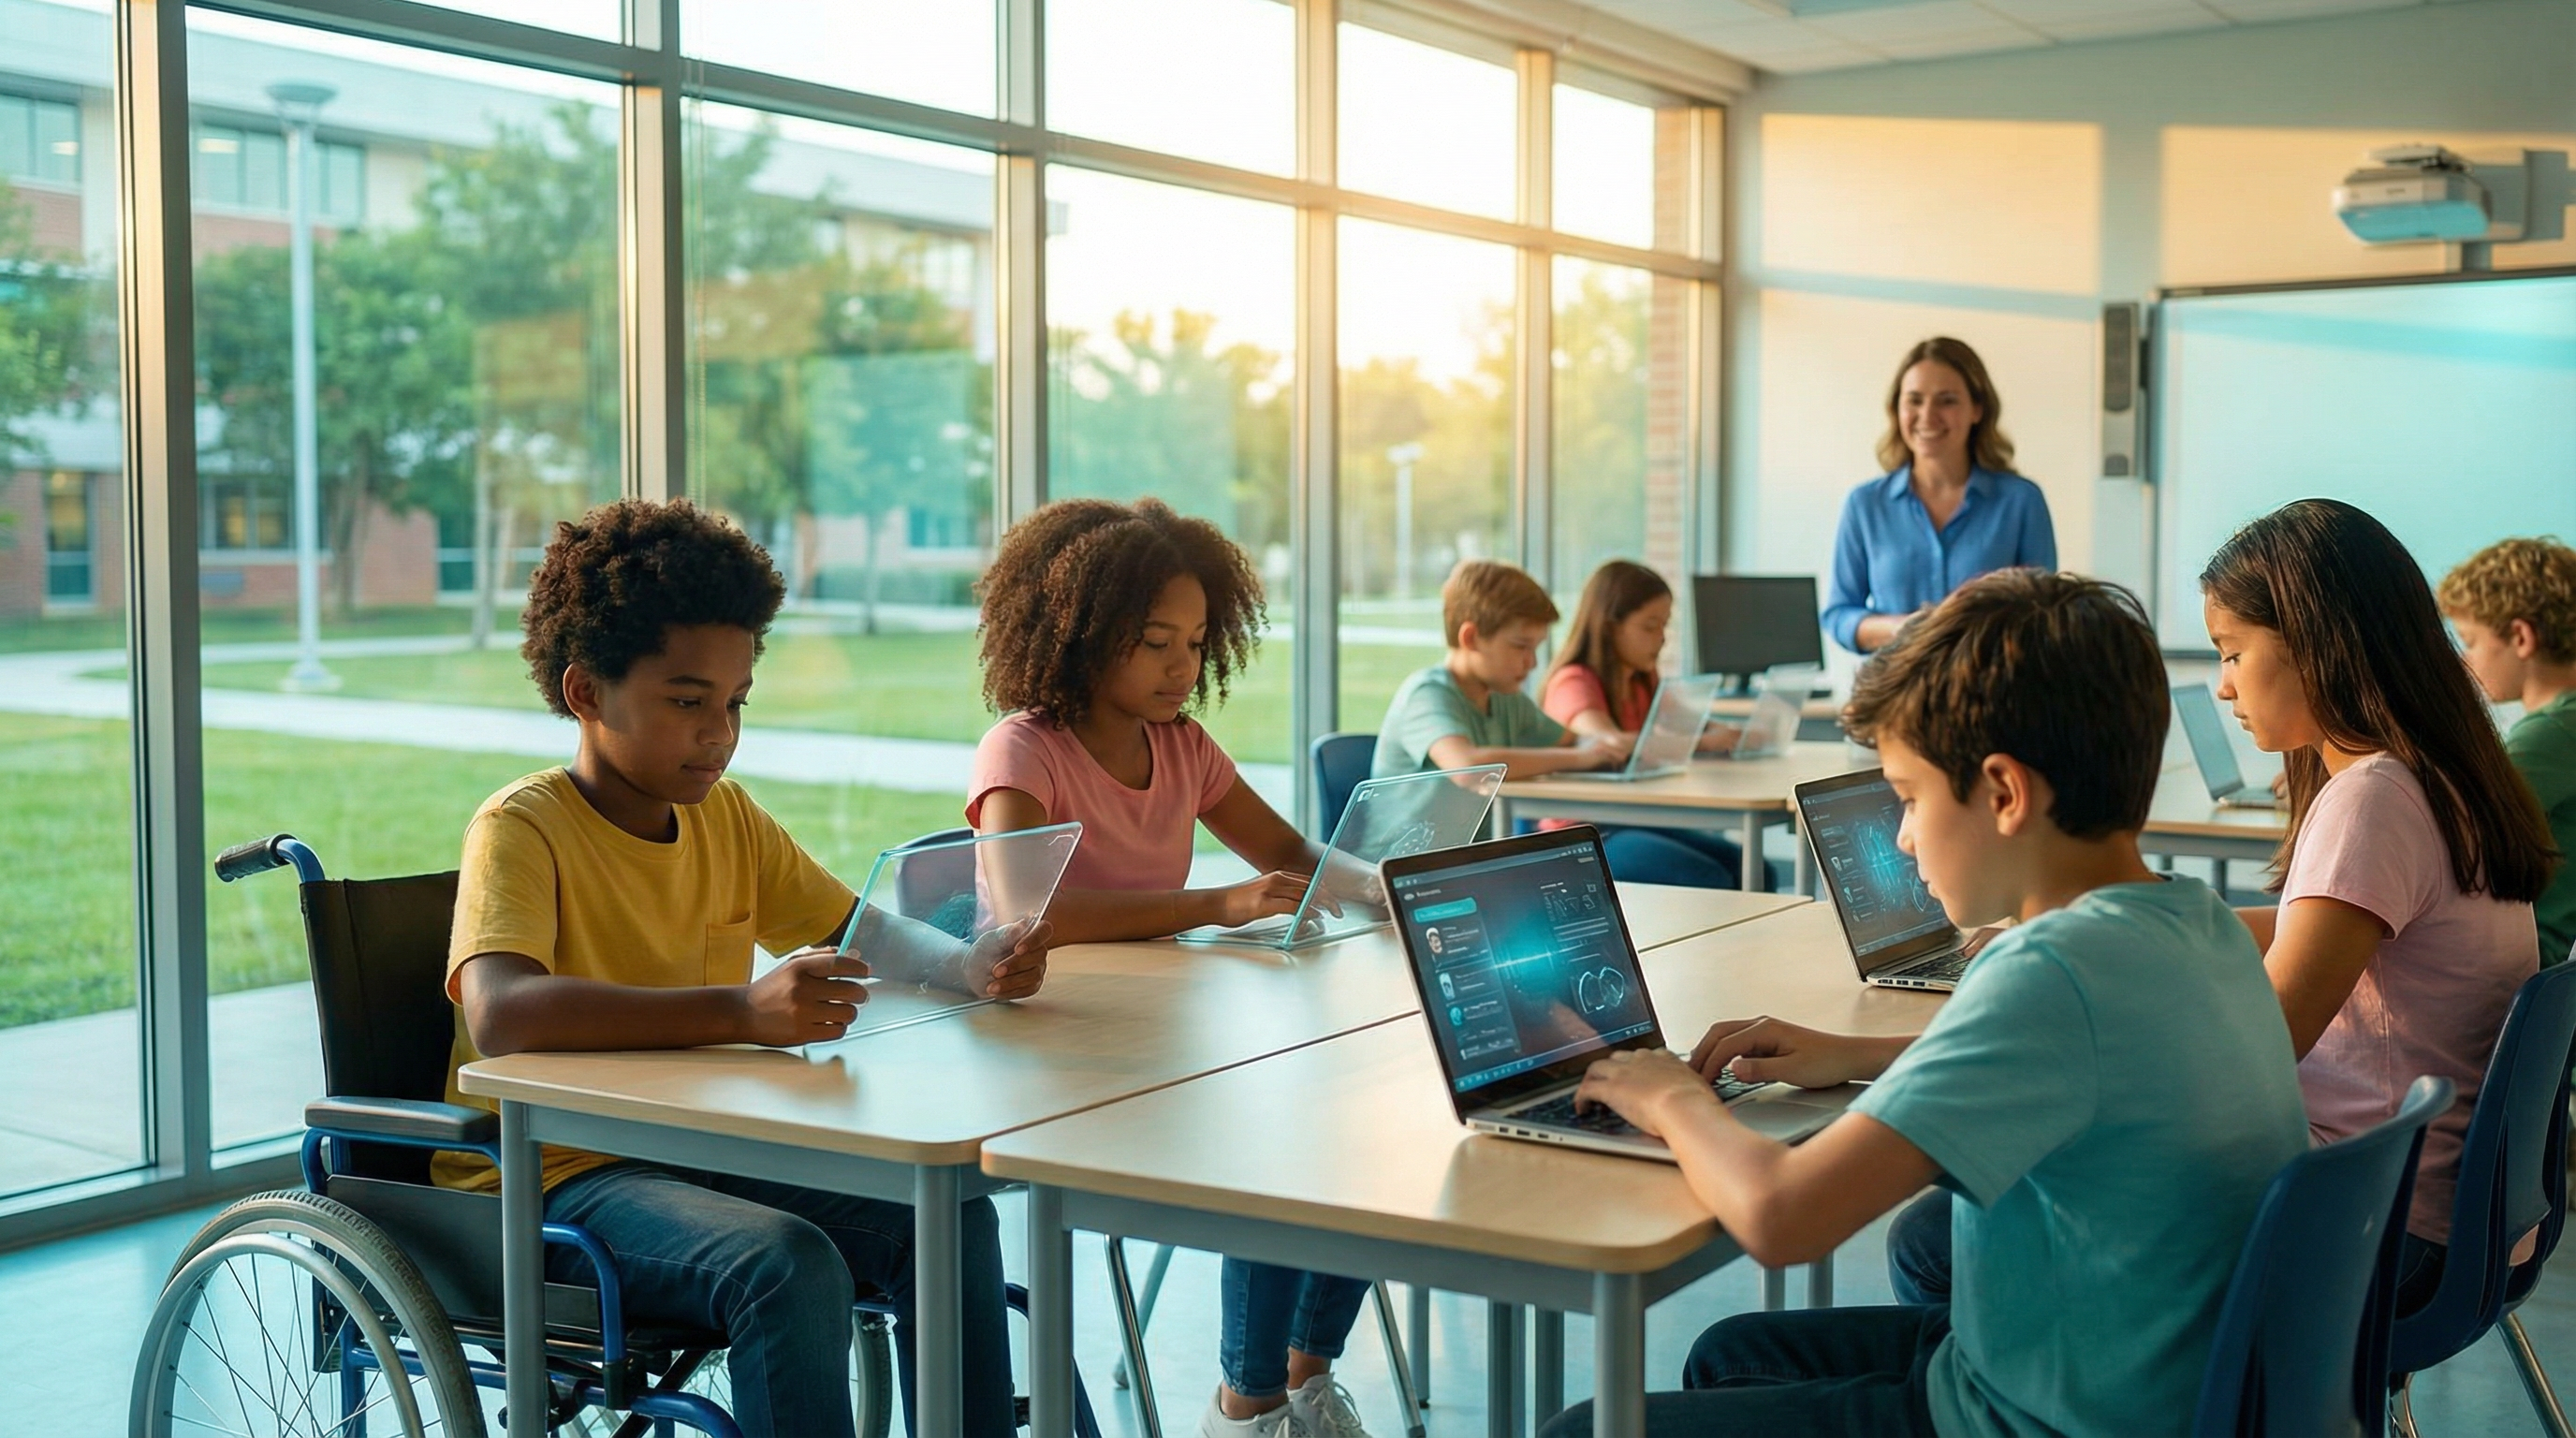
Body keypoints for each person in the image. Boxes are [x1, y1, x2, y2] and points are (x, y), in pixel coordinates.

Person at [1542, 568, 2307, 1438]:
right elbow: (2071, 1076)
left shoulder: (2050, 972)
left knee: (1582, 1430)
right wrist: (1858, 1054)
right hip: (2151, 1382)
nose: (1902, 839)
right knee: (1731, 1355)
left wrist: (1672, 1097)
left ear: (2005, 793)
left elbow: (1782, 1216)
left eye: (1909, 800)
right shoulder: (2196, 920)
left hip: (2026, 1417)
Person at [436, 499, 1051, 1438]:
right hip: (548, 1177)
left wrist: (967, 964)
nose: (718, 733)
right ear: (587, 694)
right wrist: (740, 1008)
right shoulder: (522, 828)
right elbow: (505, 1013)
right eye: (687, 702)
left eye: (734, 703)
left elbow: (860, 930)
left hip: (693, 1151)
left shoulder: (728, 819)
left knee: (947, 1218)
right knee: (786, 1263)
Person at [962, 497, 1375, 1438]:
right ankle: (1247, 1402)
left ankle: (1304, 1380)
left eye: (1195, 641)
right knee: (1272, 1145)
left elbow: (1287, 848)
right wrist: (1214, 905)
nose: (1181, 665)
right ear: (1076, 634)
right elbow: (1037, 917)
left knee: (1347, 1119)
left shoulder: (1181, 744)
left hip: (1156, 1031)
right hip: (1046, 1057)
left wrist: (1394, 892)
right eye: (1154, 641)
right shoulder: (1022, 751)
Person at [2203, 499, 2547, 1305]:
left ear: (2313, 645)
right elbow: (2322, 930)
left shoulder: (2373, 800)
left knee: (1956, 1231)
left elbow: (2265, 1042)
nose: (2222, 687)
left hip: (2383, 1222)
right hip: (2445, 1206)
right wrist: (2156, 928)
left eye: (2232, 653)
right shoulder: (2436, 774)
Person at [1822, 337, 2055, 654]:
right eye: (1914, 400)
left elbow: (2045, 615)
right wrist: (1900, 629)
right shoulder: (1864, 505)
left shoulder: (2021, 502)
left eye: (1947, 400)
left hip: (1995, 695)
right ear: (1896, 410)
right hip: (1894, 696)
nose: (1927, 416)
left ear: (1977, 409)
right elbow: (1839, 615)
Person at [1538, 559, 1743, 888]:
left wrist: (1728, 732)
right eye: (1650, 627)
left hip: (1635, 818)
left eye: (1664, 626)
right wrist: (1702, 742)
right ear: (1609, 626)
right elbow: (1608, 743)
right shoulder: (1573, 682)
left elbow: (1691, 724)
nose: (1661, 639)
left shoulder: (1641, 679)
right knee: (1710, 877)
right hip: (1587, 830)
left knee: (1750, 867)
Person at [2440, 536, 2576, 967]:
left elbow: (2447, 819)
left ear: (2520, 637)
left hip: (2528, 964)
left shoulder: (2551, 733)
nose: (2464, 659)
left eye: (2470, 641)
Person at [1371, 559, 1632, 781]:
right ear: (1471, 638)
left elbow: (1572, 741)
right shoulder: (1426, 695)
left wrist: (1606, 745)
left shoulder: (1506, 699)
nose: (1532, 663)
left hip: (1484, 842)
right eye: (1520, 647)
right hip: (1409, 843)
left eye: (1535, 649)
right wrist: (1578, 759)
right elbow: (1468, 769)